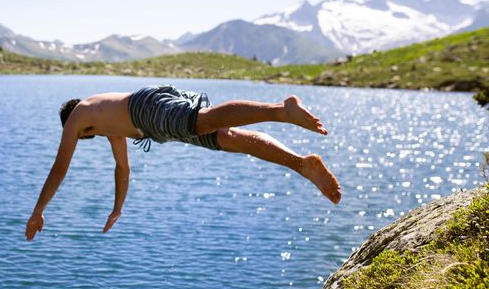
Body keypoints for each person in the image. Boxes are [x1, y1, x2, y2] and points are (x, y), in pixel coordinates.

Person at [25, 85, 341, 241]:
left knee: (203, 121)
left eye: (78, 137)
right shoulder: (105, 122)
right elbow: (122, 168)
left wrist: (38, 210)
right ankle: (301, 164)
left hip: (146, 109)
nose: (80, 138)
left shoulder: (78, 114)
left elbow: (59, 167)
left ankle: (281, 110)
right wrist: (117, 208)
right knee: (227, 138)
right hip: (153, 120)